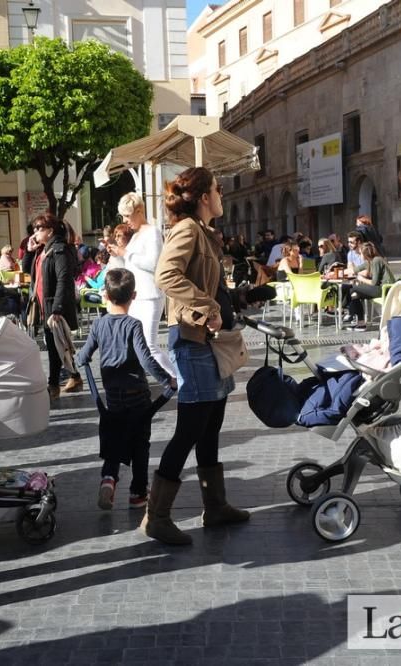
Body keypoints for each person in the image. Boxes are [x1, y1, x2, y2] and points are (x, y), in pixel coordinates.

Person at [147, 166, 249, 546]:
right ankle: (156, 517)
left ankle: (215, 506)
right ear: (204, 196)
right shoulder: (188, 229)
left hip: (209, 342)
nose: (222, 195)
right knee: (190, 428)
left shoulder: (205, 233)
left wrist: (237, 299)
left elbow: (208, 283)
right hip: (191, 341)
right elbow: (166, 275)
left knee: (210, 425)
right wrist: (207, 306)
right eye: (218, 189)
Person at [76, 268, 175, 510]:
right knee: (140, 445)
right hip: (137, 398)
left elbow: (84, 356)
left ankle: (109, 479)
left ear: (106, 296)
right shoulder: (133, 325)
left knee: (114, 440)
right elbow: (146, 360)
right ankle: (138, 493)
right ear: (135, 295)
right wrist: (167, 380)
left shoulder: (98, 325)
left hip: (113, 399)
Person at [27, 213, 83, 400]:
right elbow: (30, 272)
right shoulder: (42, 250)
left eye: (39, 228)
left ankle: (53, 386)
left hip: (54, 305)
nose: (35, 232)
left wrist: (58, 308)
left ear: (50, 231)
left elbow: (64, 279)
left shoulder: (59, 250)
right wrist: (29, 251)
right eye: (35, 228)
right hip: (45, 304)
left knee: (54, 346)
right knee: (59, 344)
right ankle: (74, 377)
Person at [120, 191, 175, 378]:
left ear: (139, 211)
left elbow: (153, 263)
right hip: (136, 296)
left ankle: (175, 377)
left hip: (150, 295)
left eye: (127, 215)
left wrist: (126, 254)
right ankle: (144, 378)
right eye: (123, 216)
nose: (126, 220)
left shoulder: (152, 232)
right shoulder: (136, 236)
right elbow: (132, 265)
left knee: (149, 345)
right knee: (137, 343)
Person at [345, 241, 394, 330]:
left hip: (384, 289)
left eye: (360, 253)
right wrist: (336, 272)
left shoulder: (376, 260)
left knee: (353, 289)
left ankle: (350, 313)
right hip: (379, 288)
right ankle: (361, 323)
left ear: (365, 254)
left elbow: (374, 283)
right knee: (355, 293)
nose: (360, 256)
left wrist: (361, 279)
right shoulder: (369, 262)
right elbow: (355, 270)